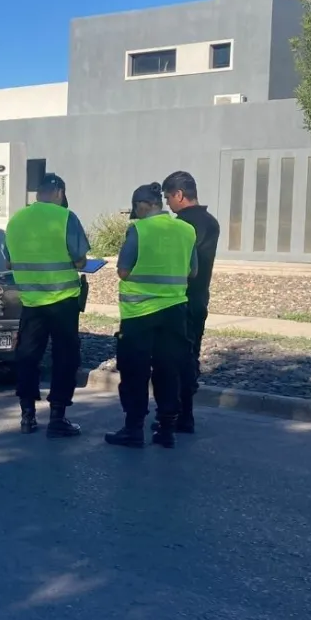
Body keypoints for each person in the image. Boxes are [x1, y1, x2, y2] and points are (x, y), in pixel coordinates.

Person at [105, 182, 197, 449]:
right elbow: (192, 272)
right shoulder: (186, 230)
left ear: (142, 205)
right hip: (175, 312)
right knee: (169, 370)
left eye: (137, 208)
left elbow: (123, 270)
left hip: (139, 314)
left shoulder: (139, 230)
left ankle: (134, 430)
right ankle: (167, 429)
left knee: (135, 372)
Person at [4, 173, 90, 438]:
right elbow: (80, 261)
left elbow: (8, 263)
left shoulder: (16, 220)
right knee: (65, 358)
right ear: (59, 192)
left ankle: (27, 415)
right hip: (62, 301)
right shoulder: (66, 217)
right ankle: (57, 416)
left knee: (28, 357)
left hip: (31, 302)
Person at [160, 171, 220, 433]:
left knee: (171, 360)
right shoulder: (211, 222)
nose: (167, 204)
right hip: (199, 298)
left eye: (167, 197)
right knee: (190, 356)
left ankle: (171, 416)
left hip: (176, 300)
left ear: (179, 195)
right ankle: (186, 415)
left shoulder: (179, 227)